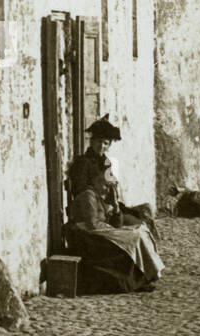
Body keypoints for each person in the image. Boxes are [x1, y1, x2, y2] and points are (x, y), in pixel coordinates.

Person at [64, 115, 163, 293]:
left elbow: (112, 189)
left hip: (107, 206)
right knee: (132, 235)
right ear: (92, 141)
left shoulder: (108, 162)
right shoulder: (82, 163)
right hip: (92, 210)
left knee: (141, 225)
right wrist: (102, 199)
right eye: (99, 142)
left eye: (106, 143)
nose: (101, 146)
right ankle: (137, 278)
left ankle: (146, 274)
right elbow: (83, 191)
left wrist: (117, 205)